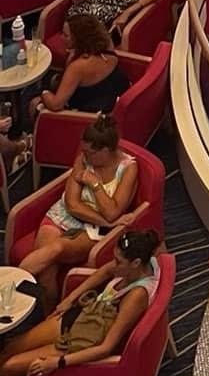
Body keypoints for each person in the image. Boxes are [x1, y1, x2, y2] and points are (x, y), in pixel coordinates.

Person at [0, 227, 161, 376]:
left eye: (118, 261)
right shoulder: (140, 264)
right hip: (82, 316)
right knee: (10, 348)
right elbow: (105, 271)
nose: (114, 265)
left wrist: (59, 362)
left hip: (81, 341)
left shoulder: (136, 296)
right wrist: (70, 300)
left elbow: (107, 347)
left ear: (135, 263)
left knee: (8, 366)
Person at [22, 116, 139, 304]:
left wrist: (94, 184)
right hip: (62, 216)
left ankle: (9, 284)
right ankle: (48, 318)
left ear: (106, 151)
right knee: (45, 274)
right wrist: (106, 221)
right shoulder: (84, 159)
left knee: (56, 248)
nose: (84, 155)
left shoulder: (128, 168)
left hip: (91, 230)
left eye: (90, 152)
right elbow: (71, 204)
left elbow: (112, 212)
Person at [30, 13, 127, 123]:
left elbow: (56, 105)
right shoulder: (108, 46)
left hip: (91, 120)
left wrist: (44, 92)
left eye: (66, 35)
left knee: (34, 102)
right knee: (54, 81)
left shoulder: (78, 67)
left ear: (79, 39)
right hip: (112, 102)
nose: (61, 38)